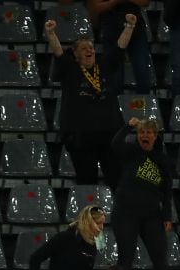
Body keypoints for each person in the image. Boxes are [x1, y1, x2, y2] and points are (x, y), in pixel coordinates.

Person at [44, 17, 126, 187]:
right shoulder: (70, 68)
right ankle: (89, 214)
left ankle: (116, 213)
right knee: (87, 181)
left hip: (109, 135)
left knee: (116, 180)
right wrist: (51, 33)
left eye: (91, 47)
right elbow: (58, 52)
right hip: (81, 137)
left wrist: (130, 26)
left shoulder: (103, 65)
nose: (89, 50)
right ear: (75, 54)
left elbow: (119, 48)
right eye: (83, 48)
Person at [111, 117, 173, 270]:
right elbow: (115, 144)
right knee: (125, 259)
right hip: (125, 213)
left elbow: (167, 189)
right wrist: (127, 126)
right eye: (142, 132)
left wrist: (167, 215)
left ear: (155, 136)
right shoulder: (130, 152)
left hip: (152, 215)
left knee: (160, 259)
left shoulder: (162, 159)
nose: (145, 135)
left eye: (149, 132)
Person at [87, 0, 152, 95]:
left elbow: (145, 2)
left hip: (136, 29)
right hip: (111, 29)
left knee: (142, 72)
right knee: (114, 76)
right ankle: (114, 107)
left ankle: (144, 107)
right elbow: (97, 8)